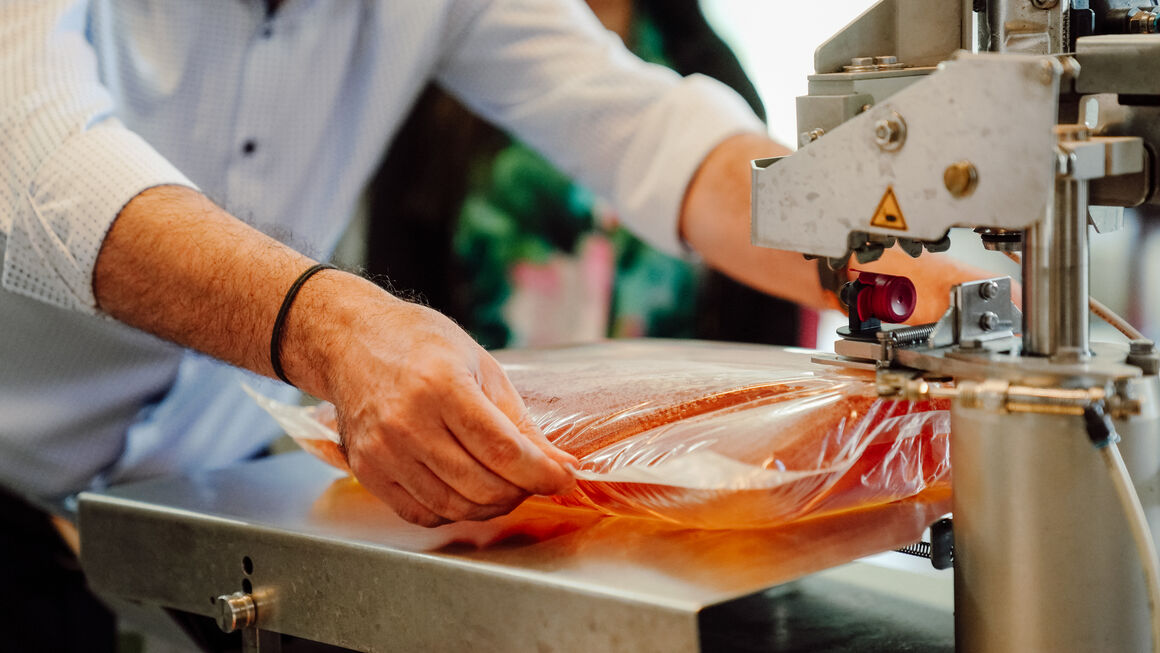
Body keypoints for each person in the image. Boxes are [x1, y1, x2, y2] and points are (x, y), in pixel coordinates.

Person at [2, 0, 983, 531]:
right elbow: (36, 154)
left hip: (217, 489)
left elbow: (646, 130)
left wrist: (875, 258)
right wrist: (334, 326)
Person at [364, 0, 806, 350]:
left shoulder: (713, 69)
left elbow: (762, 297)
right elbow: (396, 258)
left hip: (673, 438)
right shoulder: (445, 76)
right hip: (487, 414)